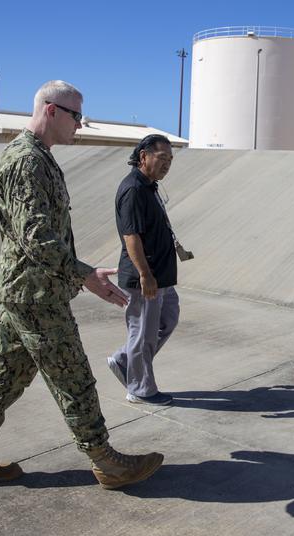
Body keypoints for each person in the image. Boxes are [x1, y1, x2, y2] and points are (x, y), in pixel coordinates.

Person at [0, 80, 164, 490]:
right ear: (51, 110)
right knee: (73, 376)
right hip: (35, 295)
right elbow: (37, 237)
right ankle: (106, 461)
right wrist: (84, 275)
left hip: (27, 290)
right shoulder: (27, 161)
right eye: (76, 116)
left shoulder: (38, 157)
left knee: (6, 373)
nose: (80, 126)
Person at [107, 134, 183, 406]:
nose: (167, 165)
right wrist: (145, 275)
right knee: (143, 332)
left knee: (168, 318)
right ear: (143, 157)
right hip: (145, 277)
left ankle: (126, 359)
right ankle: (140, 389)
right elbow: (131, 236)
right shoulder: (134, 189)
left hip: (160, 276)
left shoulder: (149, 186)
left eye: (170, 160)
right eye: (162, 159)